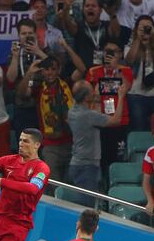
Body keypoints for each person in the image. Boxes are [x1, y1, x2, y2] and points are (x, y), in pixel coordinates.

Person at [17, 55, 74, 192]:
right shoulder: (38, 88)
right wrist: (30, 72)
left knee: (70, 186)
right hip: (50, 146)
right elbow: (22, 93)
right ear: (42, 72)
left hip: (71, 142)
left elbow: (82, 70)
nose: (50, 73)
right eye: (46, 70)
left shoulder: (67, 84)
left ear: (59, 70)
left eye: (53, 69)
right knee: (53, 185)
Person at [67, 80, 127, 207]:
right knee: (85, 208)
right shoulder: (88, 115)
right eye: (92, 91)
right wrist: (121, 96)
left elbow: (96, 114)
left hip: (78, 164)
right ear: (86, 97)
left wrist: (95, 100)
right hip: (86, 167)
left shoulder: (72, 111)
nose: (95, 92)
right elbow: (116, 120)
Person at [86, 40, 133, 177]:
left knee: (118, 159)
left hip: (119, 121)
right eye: (107, 51)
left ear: (120, 54)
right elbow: (89, 94)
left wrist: (116, 69)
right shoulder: (94, 70)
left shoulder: (125, 70)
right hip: (100, 122)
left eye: (113, 52)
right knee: (100, 160)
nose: (109, 55)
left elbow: (127, 87)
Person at [124, 15, 154, 131]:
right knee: (140, 128)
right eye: (141, 28)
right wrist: (138, 38)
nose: (145, 30)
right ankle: (142, 149)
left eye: (148, 27)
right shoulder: (130, 46)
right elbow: (129, 60)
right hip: (137, 95)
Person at [64, 0, 121, 70]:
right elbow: (69, 27)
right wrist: (66, 11)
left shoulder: (107, 25)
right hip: (83, 72)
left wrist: (112, 13)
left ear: (101, 10)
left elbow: (116, 33)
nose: (90, 8)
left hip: (105, 71)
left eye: (93, 6)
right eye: (87, 6)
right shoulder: (78, 26)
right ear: (83, 10)